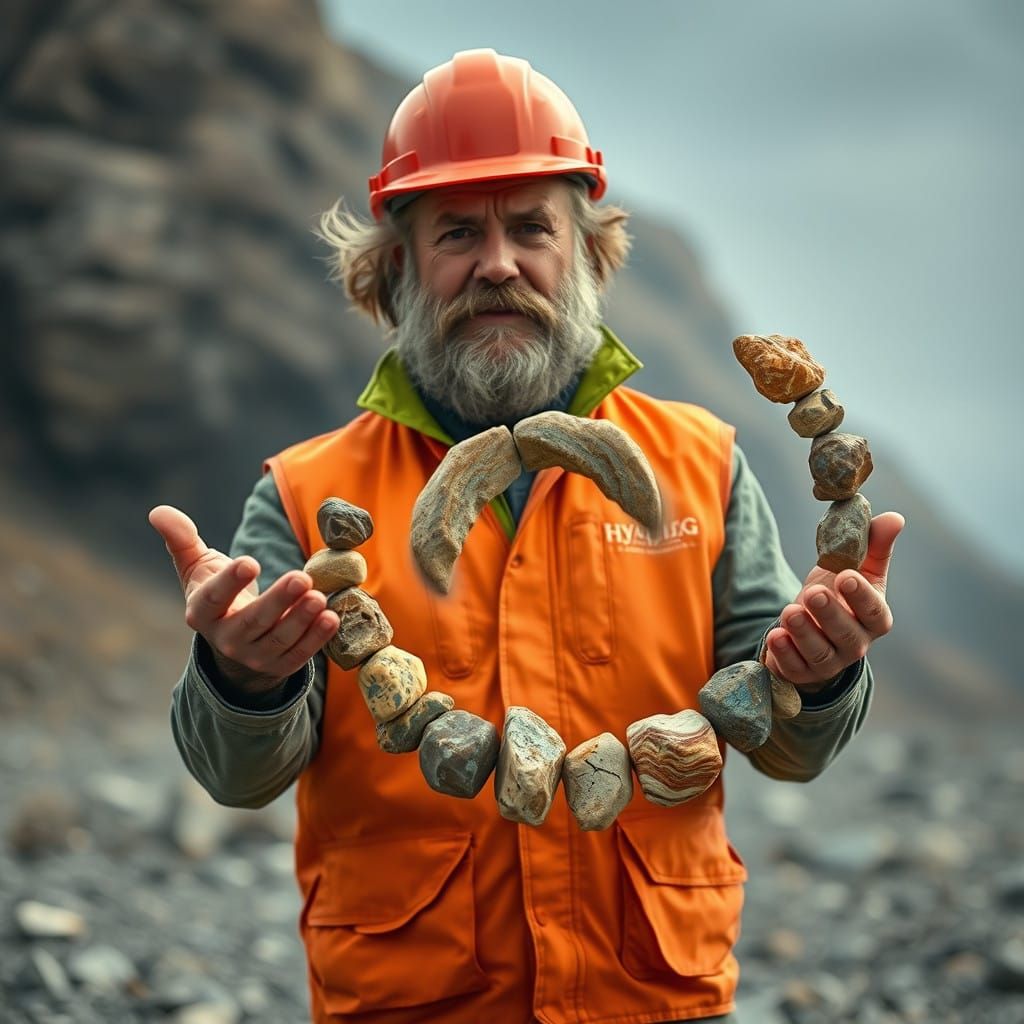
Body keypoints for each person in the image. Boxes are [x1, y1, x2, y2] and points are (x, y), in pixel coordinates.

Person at [149, 49, 903, 1024]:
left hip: (652, 998)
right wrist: (242, 678)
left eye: (531, 227)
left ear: (587, 253)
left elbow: (790, 748)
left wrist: (823, 671)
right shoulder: (306, 495)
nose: (497, 262)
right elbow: (234, 774)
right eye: (457, 230)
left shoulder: (702, 466)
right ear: (397, 270)